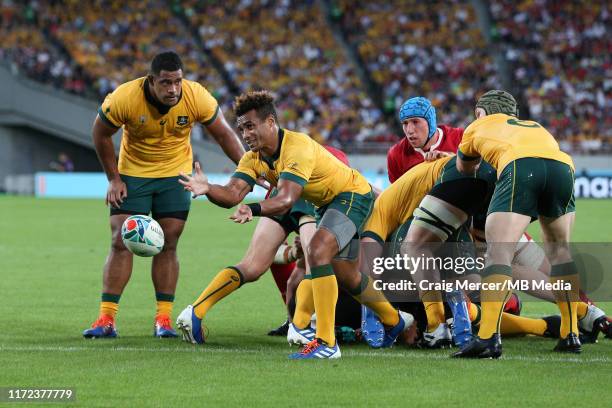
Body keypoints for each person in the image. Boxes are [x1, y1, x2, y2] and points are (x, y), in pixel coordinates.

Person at [177, 90, 411, 359]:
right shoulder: (253, 158)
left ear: (271, 123)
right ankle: (394, 321)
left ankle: (325, 341)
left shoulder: (296, 147)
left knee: (318, 251)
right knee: (347, 274)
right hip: (326, 204)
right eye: (242, 128)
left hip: (352, 195)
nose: (245, 134)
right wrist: (208, 188)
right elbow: (232, 194)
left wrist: (252, 209)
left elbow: (287, 198)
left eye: (251, 126)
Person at [83, 51, 245, 339]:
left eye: (177, 82)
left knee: (169, 244)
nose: (173, 89)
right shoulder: (124, 98)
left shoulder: (197, 96)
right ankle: (106, 319)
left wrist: (248, 170)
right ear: (151, 81)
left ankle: (164, 320)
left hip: (176, 176)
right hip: (133, 174)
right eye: (166, 83)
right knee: (120, 240)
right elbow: (100, 134)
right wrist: (113, 179)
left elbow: (224, 134)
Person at [453, 90, 581, 357]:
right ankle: (571, 333)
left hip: (520, 165)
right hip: (563, 167)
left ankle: (488, 337)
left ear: (480, 112)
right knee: (560, 251)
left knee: (498, 250)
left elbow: (464, 168)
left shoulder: (477, 126)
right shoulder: (534, 126)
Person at [387, 97, 463, 183]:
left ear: (431, 122)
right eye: (405, 123)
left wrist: (453, 160)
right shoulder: (396, 154)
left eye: (415, 122)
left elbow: (478, 173)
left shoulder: (460, 137)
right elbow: (398, 195)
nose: (409, 130)